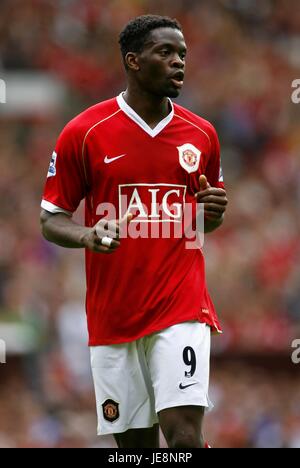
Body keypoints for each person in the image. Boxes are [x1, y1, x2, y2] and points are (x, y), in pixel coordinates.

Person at [40, 14, 228, 448]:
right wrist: (87, 235)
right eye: (166, 52)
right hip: (113, 316)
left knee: (183, 437)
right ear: (133, 61)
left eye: (182, 54)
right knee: (134, 448)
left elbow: (206, 221)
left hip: (180, 307)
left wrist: (214, 212)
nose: (179, 62)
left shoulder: (203, 135)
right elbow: (50, 220)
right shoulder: (84, 133)